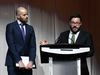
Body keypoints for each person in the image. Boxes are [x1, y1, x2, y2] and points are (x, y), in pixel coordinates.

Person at [5, 7, 36, 75]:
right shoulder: (10, 26)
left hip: (27, 64)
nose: (27, 16)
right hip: (13, 62)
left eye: (27, 14)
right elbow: (11, 45)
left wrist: (31, 61)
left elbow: (33, 46)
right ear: (18, 16)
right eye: (24, 15)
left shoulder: (30, 28)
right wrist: (19, 60)